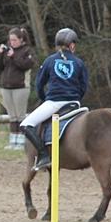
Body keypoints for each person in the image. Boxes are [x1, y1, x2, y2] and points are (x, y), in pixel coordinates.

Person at [21, 27, 88, 172]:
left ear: (58, 45)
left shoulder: (50, 61)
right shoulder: (79, 63)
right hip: (75, 104)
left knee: (26, 124)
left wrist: (45, 99)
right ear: (72, 45)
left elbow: (39, 85)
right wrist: (76, 99)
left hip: (54, 103)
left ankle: (44, 156)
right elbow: (84, 86)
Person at [0, 26, 36, 149]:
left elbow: (25, 65)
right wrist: (1, 55)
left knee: (20, 115)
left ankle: (22, 141)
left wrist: (14, 56)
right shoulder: (8, 51)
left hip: (21, 87)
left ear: (21, 39)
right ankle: (13, 140)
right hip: (6, 87)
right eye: (10, 40)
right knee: (12, 116)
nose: (12, 43)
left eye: (14, 40)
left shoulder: (27, 51)